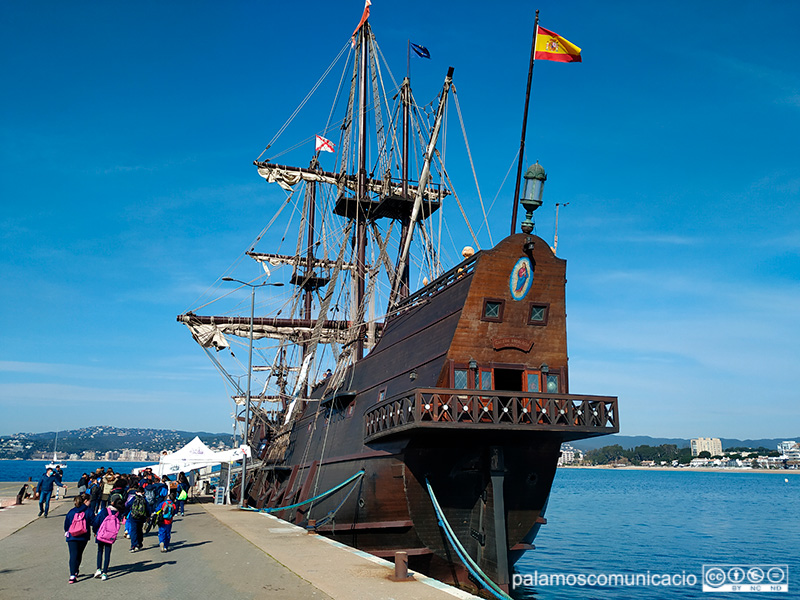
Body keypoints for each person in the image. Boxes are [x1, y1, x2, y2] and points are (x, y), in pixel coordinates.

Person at [92, 496, 124, 581]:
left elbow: (96, 522)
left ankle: (99, 569)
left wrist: (95, 531)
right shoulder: (118, 514)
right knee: (107, 553)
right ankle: (105, 573)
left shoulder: (104, 511)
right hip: (110, 536)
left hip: (101, 533)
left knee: (99, 551)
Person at [64, 493, 92, 583]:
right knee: (79, 554)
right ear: (85, 501)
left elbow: (66, 524)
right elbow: (93, 522)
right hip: (83, 536)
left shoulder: (71, 511)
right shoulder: (88, 511)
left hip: (72, 536)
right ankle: (76, 570)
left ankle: (72, 575)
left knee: (73, 555)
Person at [126, 485, 149, 552]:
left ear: (136, 492)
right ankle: (139, 543)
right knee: (139, 530)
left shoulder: (133, 499)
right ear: (143, 492)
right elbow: (147, 509)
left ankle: (133, 545)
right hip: (141, 517)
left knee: (134, 531)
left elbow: (128, 506)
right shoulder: (144, 500)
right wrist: (148, 516)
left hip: (133, 517)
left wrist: (125, 514)